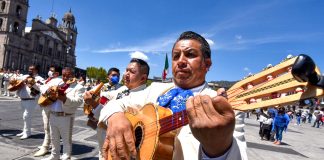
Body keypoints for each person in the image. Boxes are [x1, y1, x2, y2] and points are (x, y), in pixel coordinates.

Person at [99, 31, 246, 159]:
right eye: (176, 56)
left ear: (206, 64)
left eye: (190, 54)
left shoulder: (225, 108)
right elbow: (115, 104)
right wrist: (116, 117)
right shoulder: (155, 89)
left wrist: (219, 147)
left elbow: (239, 156)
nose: (181, 61)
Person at [84, 58, 150, 160]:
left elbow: (114, 118)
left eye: (131, 71)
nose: (126, 74)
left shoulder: (143, 97)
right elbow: (106, 95)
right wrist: (92, 93)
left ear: (143, 78)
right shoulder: (124, 89)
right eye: (126, 70)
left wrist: (93, 103)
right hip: (103, 136)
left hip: (117, 146)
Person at [42, 67, 85, 160]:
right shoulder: (59, 84)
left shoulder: (79, 87)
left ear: (73, 75)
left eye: (68, 75)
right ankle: (54, 155)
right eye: (64, 75)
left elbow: (78, 101)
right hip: (53, 114)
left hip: (66, 117)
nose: (65, 78)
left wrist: (64, 99)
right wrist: (47, 92)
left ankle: (66, 156)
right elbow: (44, 88)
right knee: (54, 138)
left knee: (66, 140)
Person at [34, 66, 61, 157]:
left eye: (52, 71)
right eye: (49, 70)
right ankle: (47, 144)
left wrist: (41, 86)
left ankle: (45, 146)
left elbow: (48, 90)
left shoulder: (58, 80)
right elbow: (42, 89)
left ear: (57, 73)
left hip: (52, 106)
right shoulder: (49, 80)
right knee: (46, 126)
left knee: (48, 127)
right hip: (46, 104)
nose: (49, 72)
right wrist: (34, 84)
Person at [16, 65, 44, 139]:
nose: (30, 70)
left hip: (31, 99)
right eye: (29, 69)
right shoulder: (24, 76)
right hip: (23, 99)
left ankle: (28, 133)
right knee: (24, 117)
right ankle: (25, 131)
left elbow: (39, 90)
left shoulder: (39, 79)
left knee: (26, 116)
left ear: (36, 70)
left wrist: (31, 84)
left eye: (32, 69)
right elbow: (15, 81)